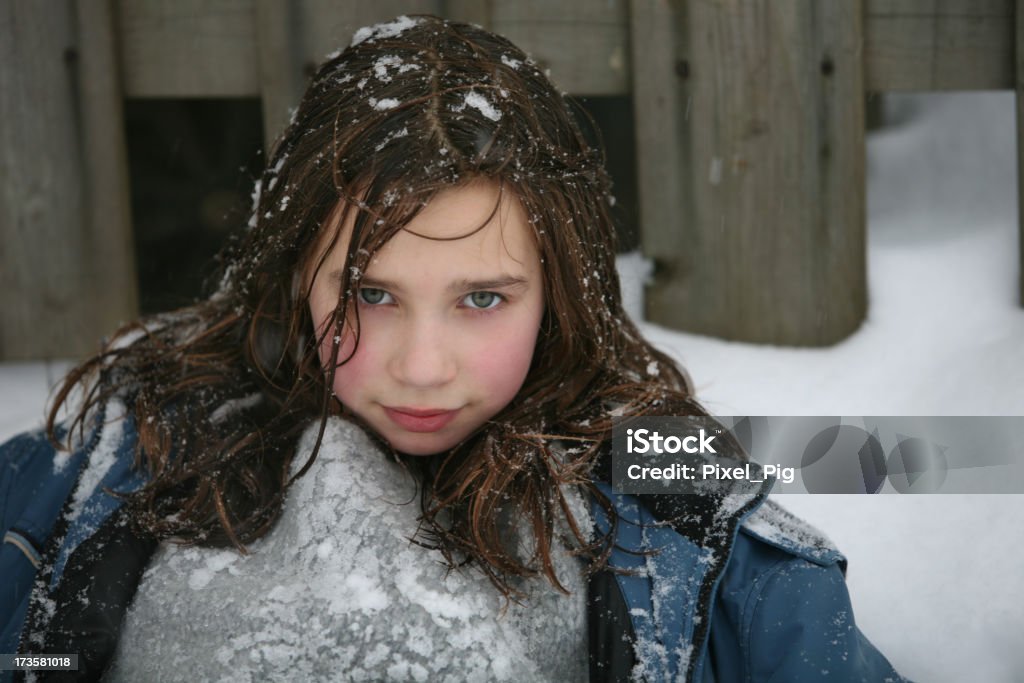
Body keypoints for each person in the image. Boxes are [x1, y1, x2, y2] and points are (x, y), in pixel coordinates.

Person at [0, 14, 908, 682]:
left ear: (560, 290)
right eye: (369, 294)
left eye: (482, 298)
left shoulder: (665, 492)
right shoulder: (112, 461)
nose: (423, 365)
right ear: (292, 276)